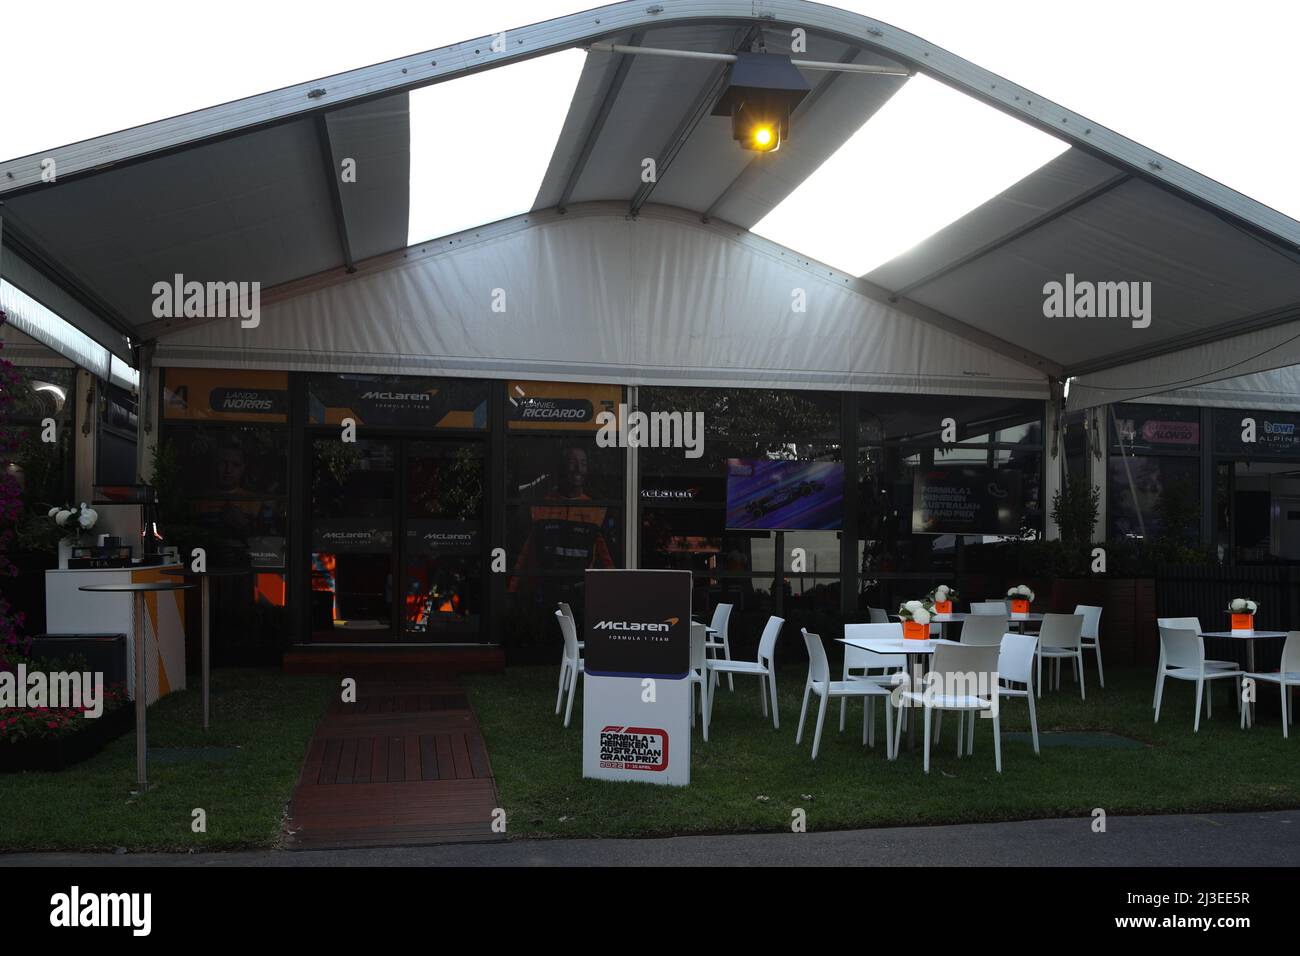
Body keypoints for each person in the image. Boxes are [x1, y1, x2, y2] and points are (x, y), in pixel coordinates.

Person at [509, 443, 615, 596]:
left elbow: (608, 563)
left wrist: (613, 597)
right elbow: (522, 557)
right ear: (563, 467)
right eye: (573, 462)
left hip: (581, 595)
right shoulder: (540, 508)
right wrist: (510, 594)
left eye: (583, 463)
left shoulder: (597, 510)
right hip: (544, 594)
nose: (578, 468)